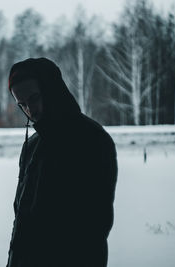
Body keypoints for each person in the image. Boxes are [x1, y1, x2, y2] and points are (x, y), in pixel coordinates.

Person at [6, 58, 118, 267]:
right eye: (22, 105)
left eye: (34, 98)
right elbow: (21, 219)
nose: (30, 110)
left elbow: (94, 227)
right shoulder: (32, 146)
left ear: (51, 90)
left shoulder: (92, 140)